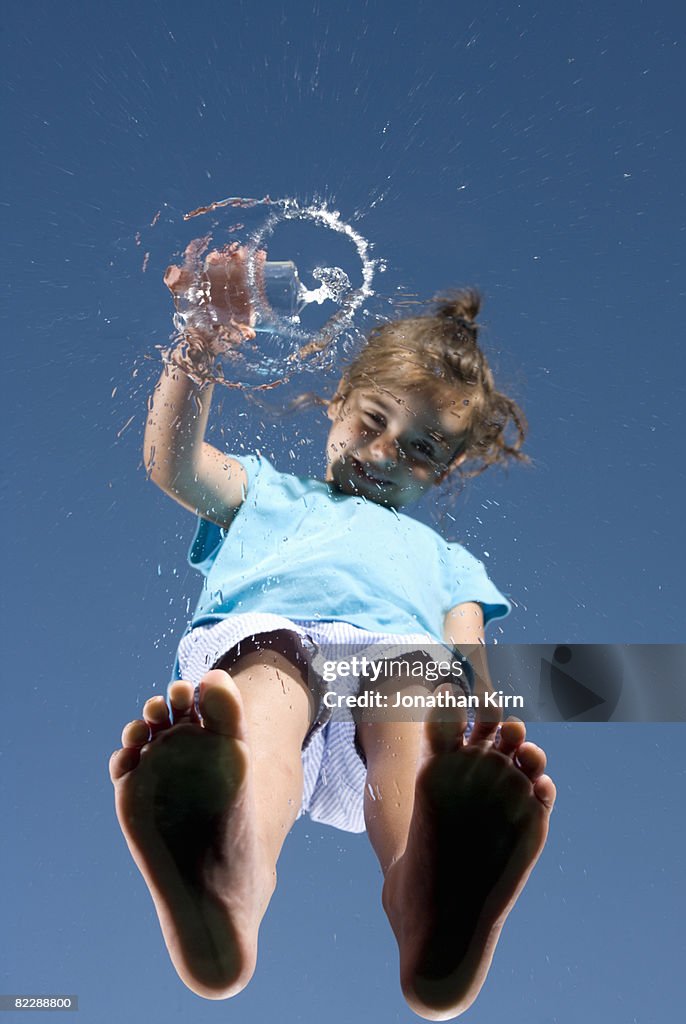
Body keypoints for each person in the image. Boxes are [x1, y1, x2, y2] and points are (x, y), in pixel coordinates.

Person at [109, 244, 556, 1020]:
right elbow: (171, 463)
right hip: (269, 653)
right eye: (373, 422)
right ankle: (235, 861)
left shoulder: (450, 561)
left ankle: (424, 883)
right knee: (274, 679)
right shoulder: (268, 494)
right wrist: (198, 345)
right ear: (338, 402)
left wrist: (477, 749)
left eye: (418, 451)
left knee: (414, 689)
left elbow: (470, 667)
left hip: (387, 697)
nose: (384, 455)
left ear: (441, 472)